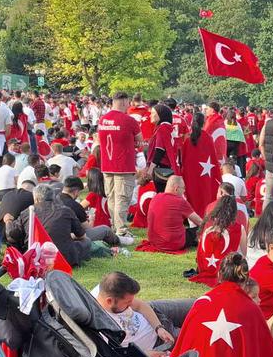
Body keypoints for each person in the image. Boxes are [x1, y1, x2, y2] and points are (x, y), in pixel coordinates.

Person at [33, 181, 119, 266]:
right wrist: (92, 220)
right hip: (63, 255)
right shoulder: (70, 208)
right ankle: (119, 240)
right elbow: (84, 233)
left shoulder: (28, 213)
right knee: (97, 234)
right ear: (76, 191)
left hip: (37, 254)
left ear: (36, 199)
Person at [97, 92, 141, 244]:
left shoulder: (103, 119)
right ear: (123, 102)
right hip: (123, 165)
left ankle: (115, 226)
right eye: (128, 102)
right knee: (122, 198)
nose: (129, 105)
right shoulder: (129, 120)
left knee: (112, 197)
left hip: (107, 164)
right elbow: (140, 141)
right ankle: (121, 229)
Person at [191, 192, 245, 286]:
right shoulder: (239, 228)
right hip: (225, 272)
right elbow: (244, 254)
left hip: (203, 268)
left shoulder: (207, 223)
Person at [137, 175, 202, 254]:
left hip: (155, 241)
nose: (184, 191)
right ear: (176, 188)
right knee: (198, 230)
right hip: (173, 243)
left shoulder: (155, 198)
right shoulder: (180, 201)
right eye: (183, 188)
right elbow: (199, 221)